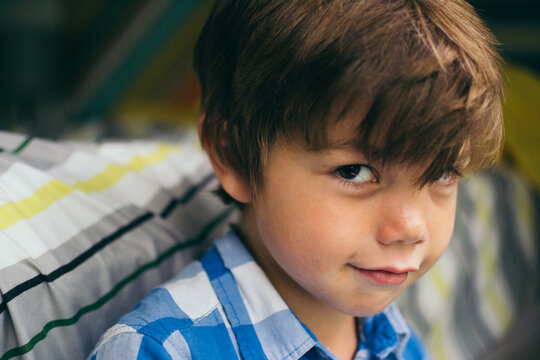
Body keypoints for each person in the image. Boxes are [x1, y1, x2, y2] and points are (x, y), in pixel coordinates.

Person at [89, 0, 503, 358]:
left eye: (443, 173)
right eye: (355, 172)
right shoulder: (162, 351)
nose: (410, 229)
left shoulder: (393, 338)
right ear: (233, 155)